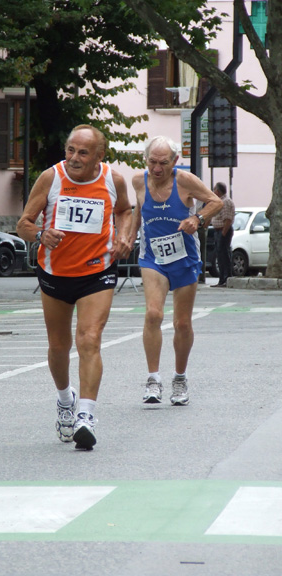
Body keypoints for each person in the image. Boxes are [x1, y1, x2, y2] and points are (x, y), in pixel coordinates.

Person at [16, 125, 131, 450]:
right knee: (58, 346)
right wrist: (40, 234)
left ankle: (86, 415)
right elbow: (23, 223)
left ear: (99, 156)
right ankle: (65, 399)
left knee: (90, 339)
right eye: (70, 150)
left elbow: (124, 211)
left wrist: (124, 236)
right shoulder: (51, 178)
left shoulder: (113, 180)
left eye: (82, 152)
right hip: (55, 273)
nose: (74, 158)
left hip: (98, 271)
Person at [129, 136, 222, 406]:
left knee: (182, 323)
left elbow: (214, 202)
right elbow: (138, 211)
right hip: (152, 257)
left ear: (175, 162)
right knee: (153, 314)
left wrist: (197, 218)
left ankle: (180, 377)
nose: (157, 168)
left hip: (185, 258)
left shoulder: (185, 180)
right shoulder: (138, 181)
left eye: (163, 163)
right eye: (152, 162)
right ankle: (153, 379)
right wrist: (127, 237)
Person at [210, 182, 235, 288]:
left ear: (218, 191)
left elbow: (228, 220)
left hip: (223, 231)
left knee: (224, 255)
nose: (213, 191)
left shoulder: (226, 202)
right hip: (218, 231)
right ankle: (221, 279)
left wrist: (223, 233)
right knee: (219, 256)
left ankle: (226, 278)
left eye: (214, 189)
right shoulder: (220, 201)